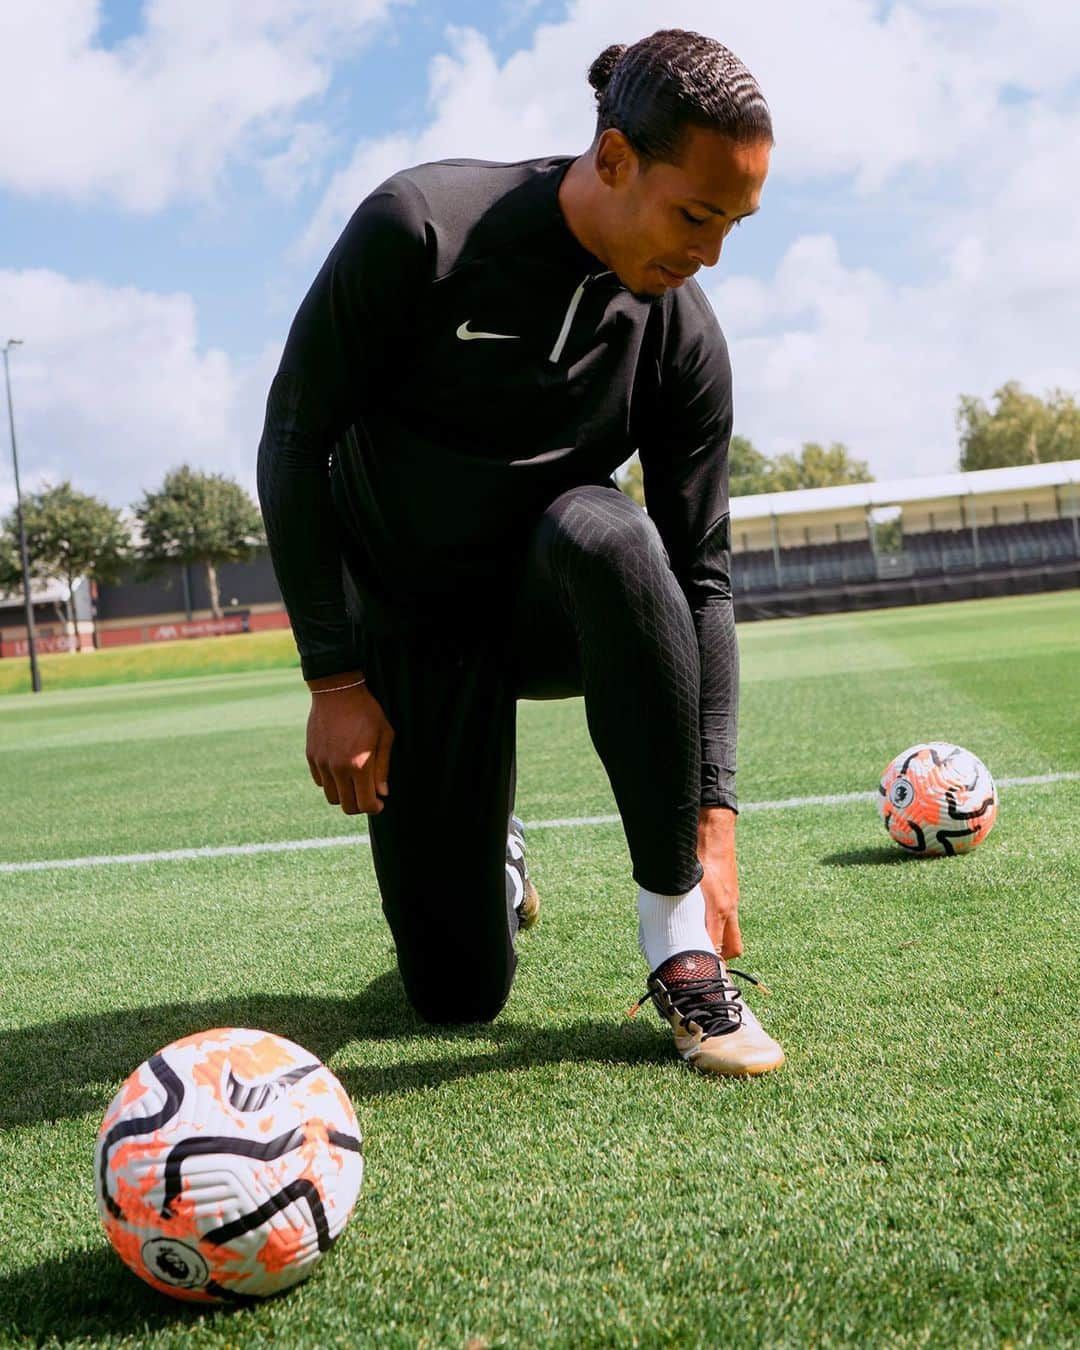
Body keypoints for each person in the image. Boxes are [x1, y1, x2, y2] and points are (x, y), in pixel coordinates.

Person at [257, 29, 784, 1077]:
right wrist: (335, 674)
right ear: (616, 158)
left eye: (735, 224)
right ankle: (490, 851)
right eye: (697, 214)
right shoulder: (420, 230)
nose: (711, 252)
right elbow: (292, 442)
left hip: (560, 602)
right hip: (413, 624)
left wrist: (712, 818)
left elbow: (704, 579)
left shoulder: (681, 333)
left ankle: (676, 950)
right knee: (456, 997)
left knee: (616, 535)